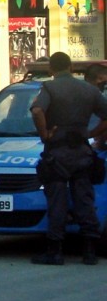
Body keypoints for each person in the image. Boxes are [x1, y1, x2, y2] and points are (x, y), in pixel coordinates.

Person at [30, 51, 107, 266]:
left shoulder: (50, 88)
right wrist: (91, 134)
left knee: (57, 201)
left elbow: (37, 110)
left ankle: (55, 252)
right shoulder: (89, 90)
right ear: (71, 67)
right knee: (84, 200)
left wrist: (44, 134)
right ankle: (90, 252)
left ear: (51, 69)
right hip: (82, 152)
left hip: (57, 153)